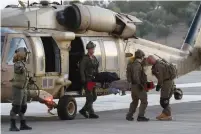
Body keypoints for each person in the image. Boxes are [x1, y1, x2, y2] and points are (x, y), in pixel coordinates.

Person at [9, 47, 32, 131]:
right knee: (16, 107)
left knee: (23, 107)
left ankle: (23, 124)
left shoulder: (22, 64)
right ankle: (12, 126)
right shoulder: (18, 64)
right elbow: (18, 70)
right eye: (26, 54)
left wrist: (29, 79)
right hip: (18, 88)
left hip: (23, 88)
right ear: (22, 54)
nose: (27, 56)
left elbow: (23, 75)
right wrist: (21, 70)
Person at [146, 55, 175, 120]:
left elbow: (161, 78)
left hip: (166, 83)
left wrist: (158, 86)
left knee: (163, 100)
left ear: (151, 60)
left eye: (149, 61)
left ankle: (168, 115)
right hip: (170, 82)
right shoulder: (161, 63)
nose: (149, 63)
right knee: (166, 99)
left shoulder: (157, 66)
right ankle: (165, 113)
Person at [126, 49, 149, 121]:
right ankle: (141, 116)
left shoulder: (131, 64)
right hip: (137, 85)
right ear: (141, 56)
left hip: (133, 86)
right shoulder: (137, 65)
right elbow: (136, 75)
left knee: (135, 101)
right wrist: (139, 84)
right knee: (144, 101)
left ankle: (129, 115)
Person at [79, 41, 99, 119]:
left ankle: (84, 110)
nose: (92, 50)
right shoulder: (85, 58)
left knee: (94, 97)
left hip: (93, 80)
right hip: (88, 80)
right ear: (88, 49)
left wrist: (98, 77)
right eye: (91, 49)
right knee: (90, 97)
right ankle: (91, 113)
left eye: (93, 48)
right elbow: (81, 69)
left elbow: (96, 68)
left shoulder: (94, 58)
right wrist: (83, 79)